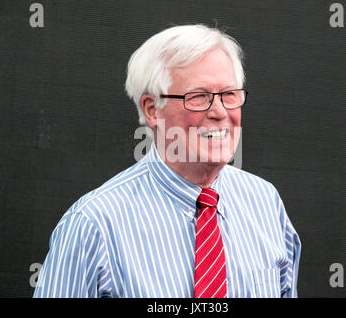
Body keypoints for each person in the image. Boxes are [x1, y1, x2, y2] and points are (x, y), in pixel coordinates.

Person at [34, 24, 301, 298]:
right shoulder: (95, 225)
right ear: (152, 110)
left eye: (229, 94)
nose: (220, 112)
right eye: (199, 97)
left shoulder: (265, 202)